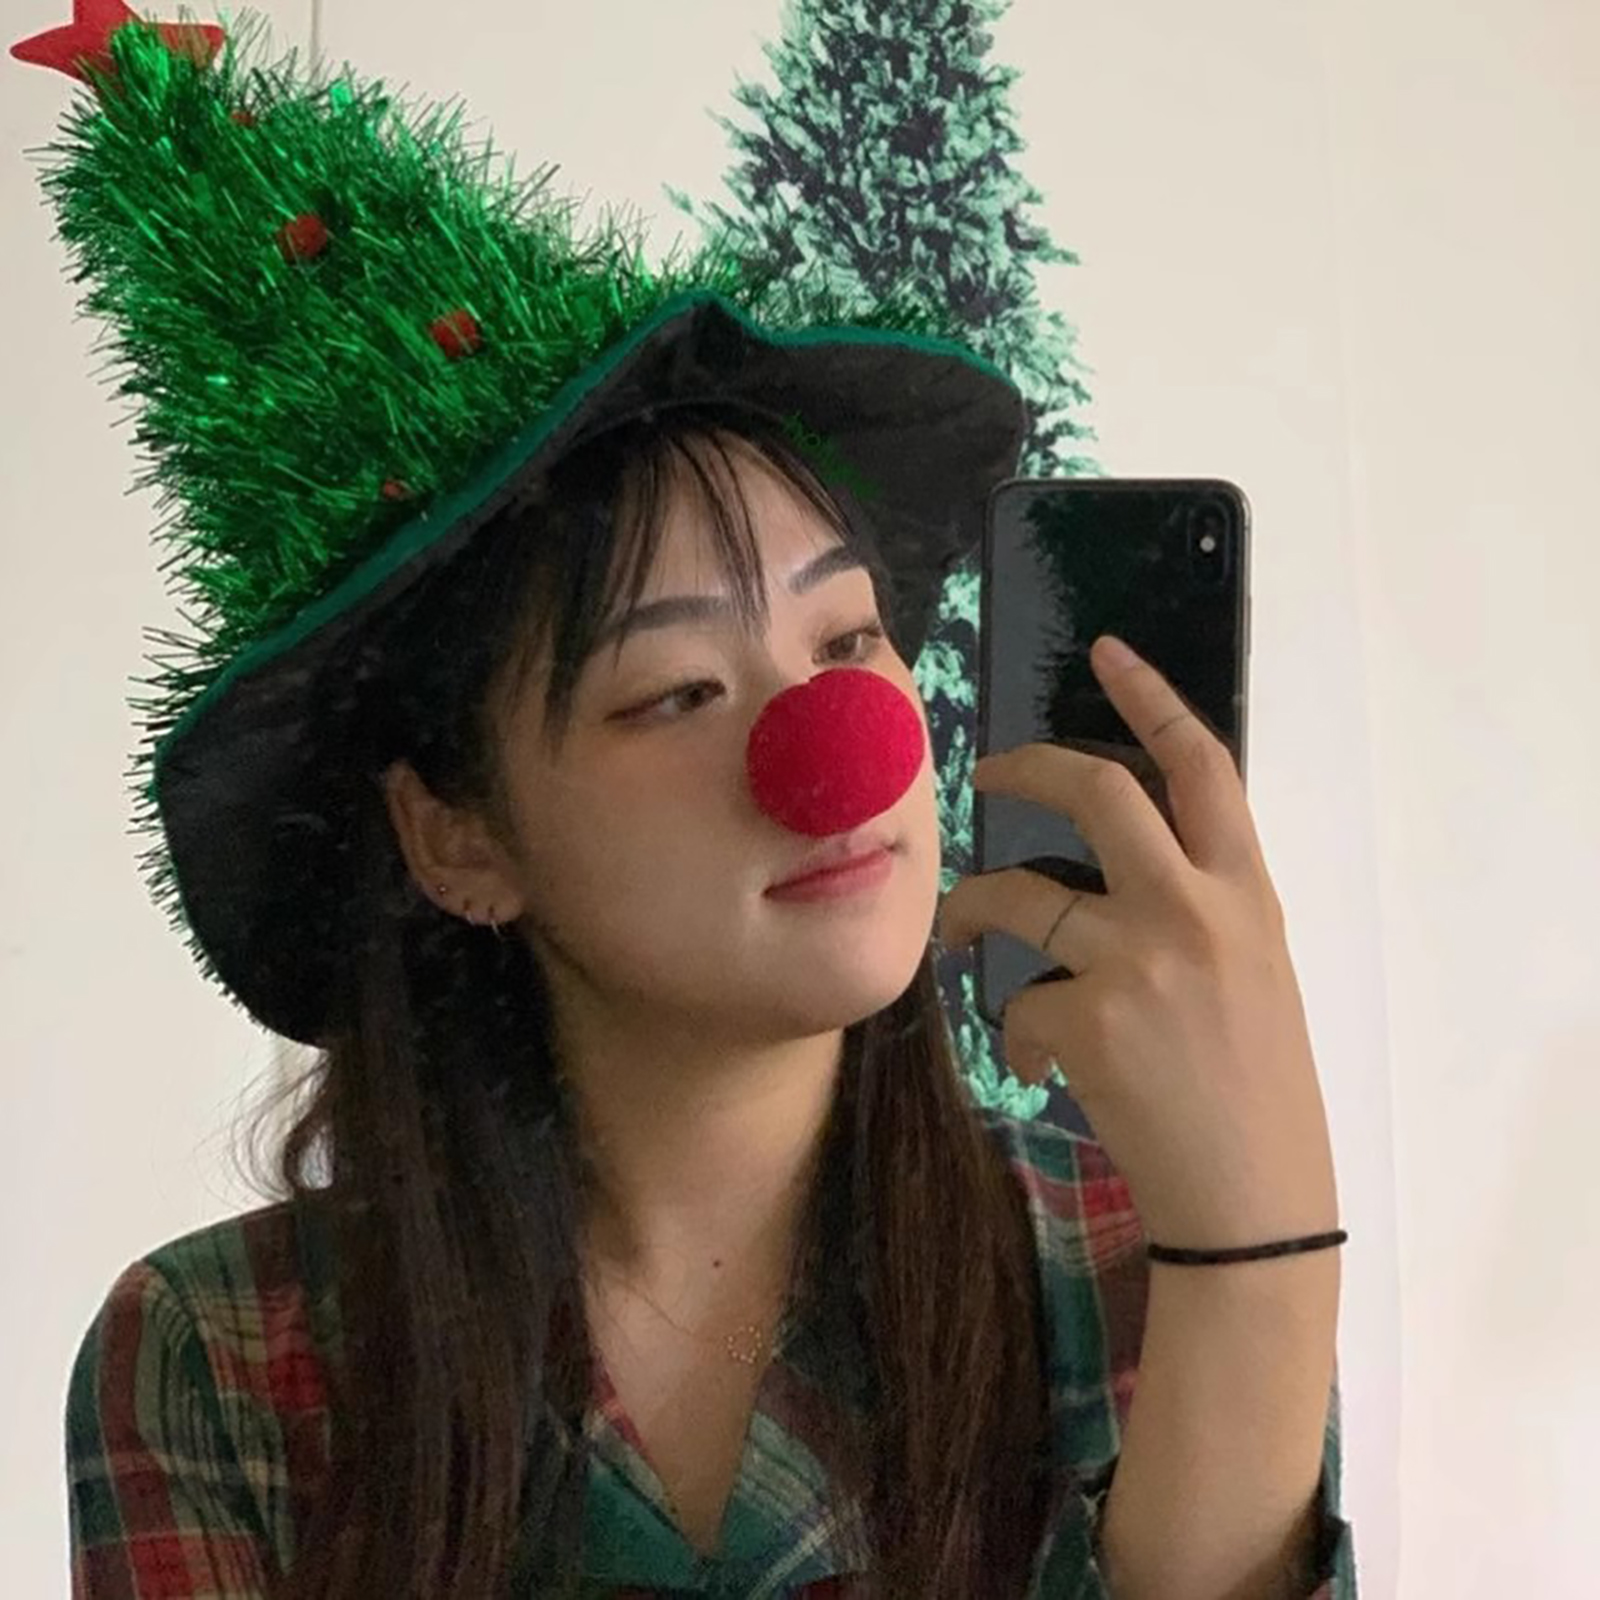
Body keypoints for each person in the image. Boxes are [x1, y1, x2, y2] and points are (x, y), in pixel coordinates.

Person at [16, 7, 1357, 1598]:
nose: (838, 749)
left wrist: (1264, 1249)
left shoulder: (1131, 1257)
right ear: (460, 837)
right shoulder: (221, 1357)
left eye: (846, 642)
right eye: (673, 692)